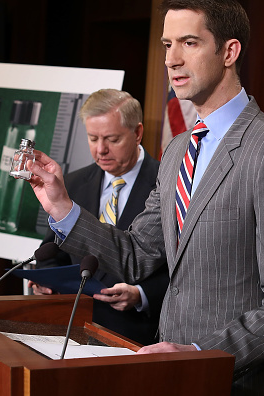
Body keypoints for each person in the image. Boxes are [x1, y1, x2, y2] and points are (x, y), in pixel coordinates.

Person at [25, 0, 264, 394]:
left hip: (235, 380)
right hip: (167, 373)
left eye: (189, 43)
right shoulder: (179, 149)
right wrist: (60, 206)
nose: (172, 59)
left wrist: (199, 352)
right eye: (167, 45)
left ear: (229, 52)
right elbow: (135, 255)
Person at [30, 89, 168, 346]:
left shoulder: (167, 183)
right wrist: (43, 281)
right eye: (93, 139)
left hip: (137, 334)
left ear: (137, 133)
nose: (101, 149)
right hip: (74, 330)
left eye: (112, 139)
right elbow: (51, 252)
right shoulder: (72, 183)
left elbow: (182, 264)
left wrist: (142, 294)